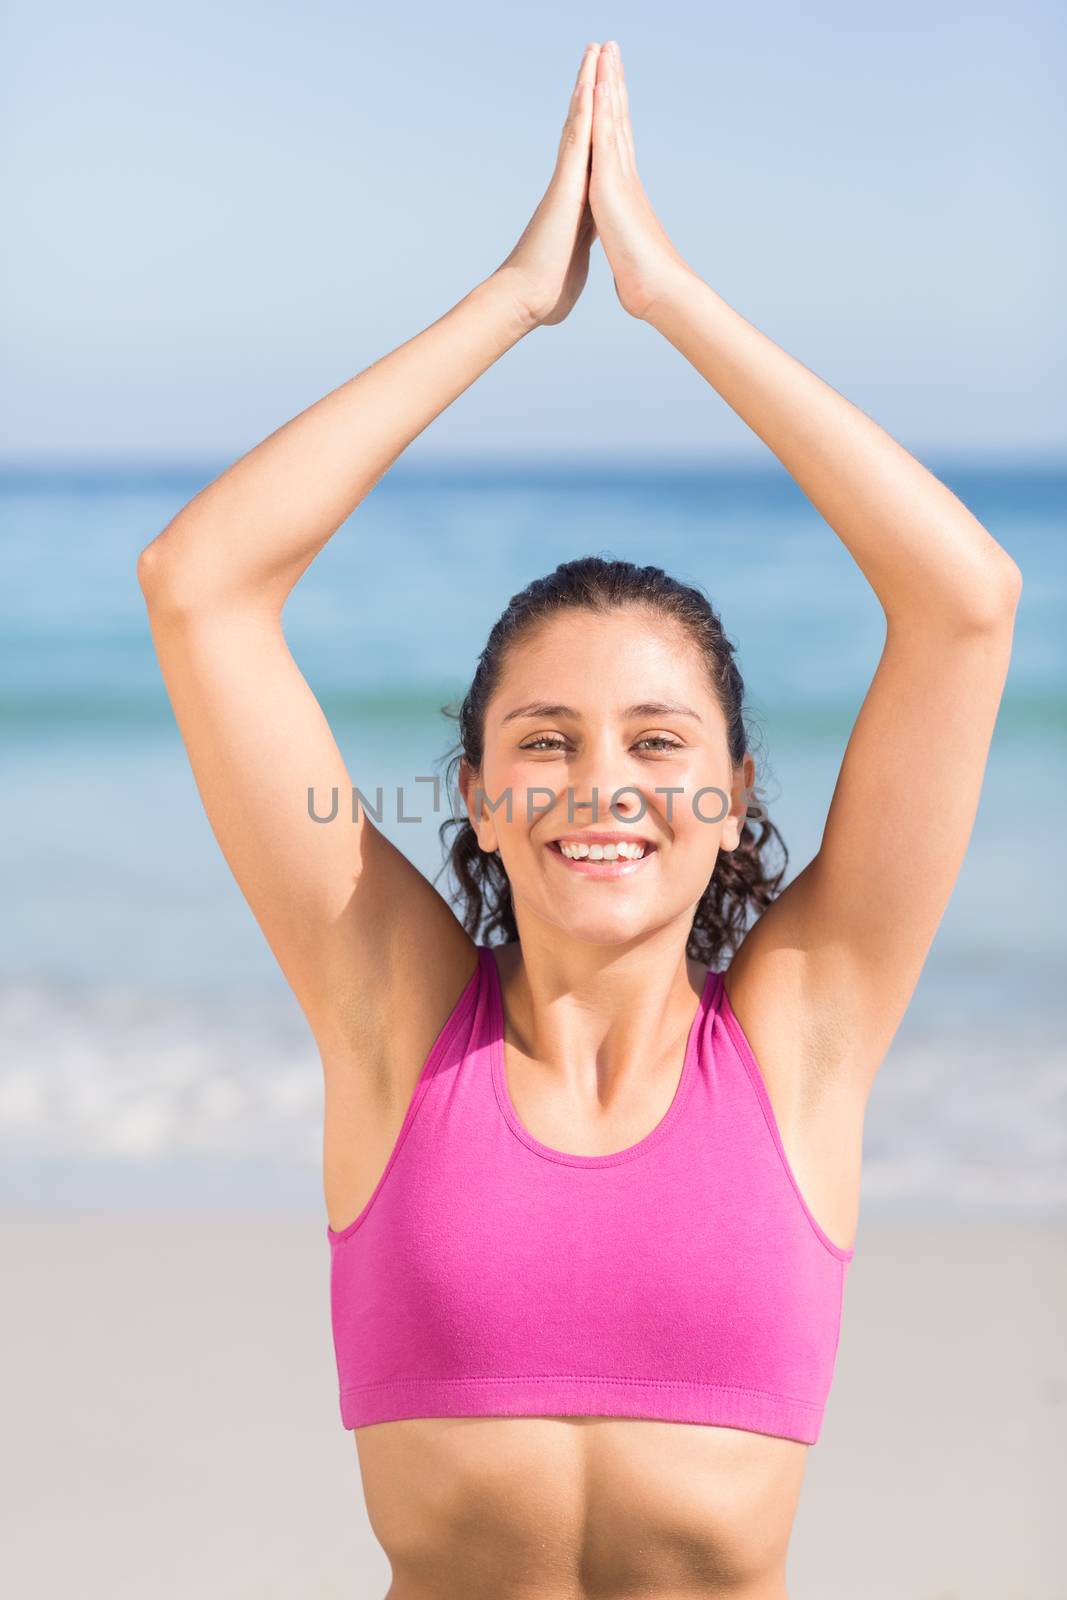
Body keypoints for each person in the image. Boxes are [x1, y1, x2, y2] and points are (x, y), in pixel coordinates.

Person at [137, 38, 1022, 1600]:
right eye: (543, 742)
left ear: (733, 796)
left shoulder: (806, 1039)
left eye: (657, 741)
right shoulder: (393, 1020)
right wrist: (514, 302)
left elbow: (965, 603)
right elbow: (201, 585)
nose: (603, 784)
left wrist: (670, 298)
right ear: (475, 797)